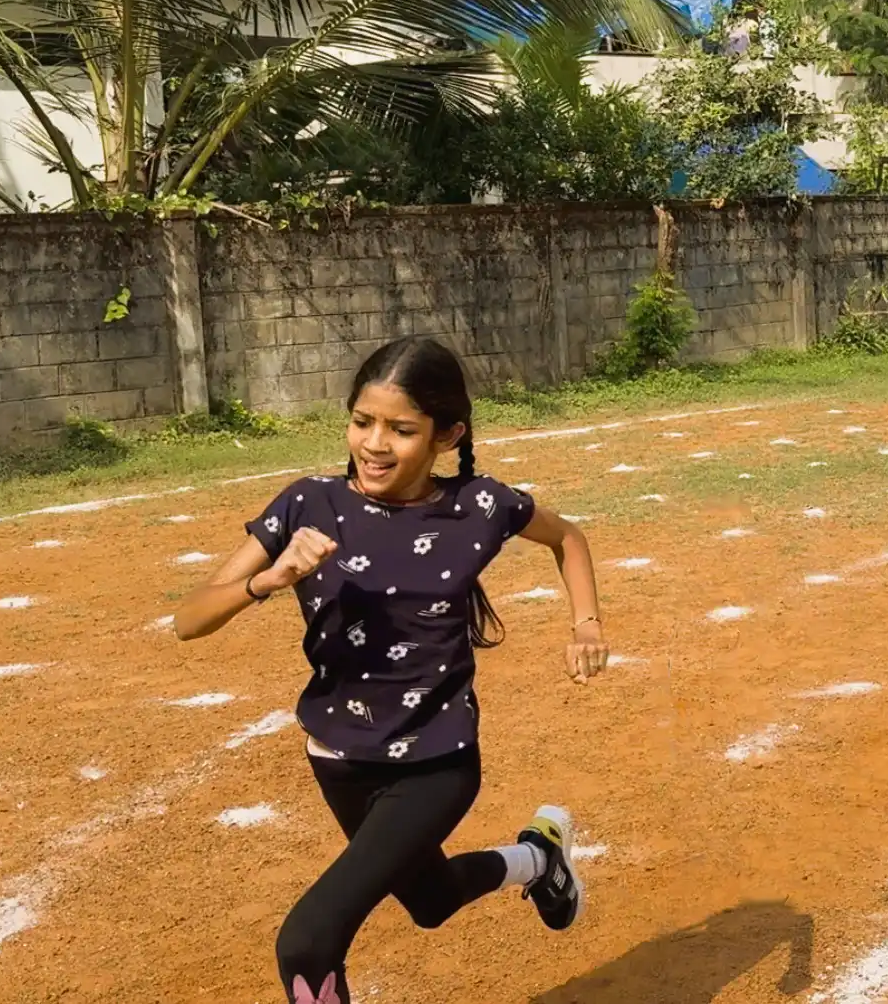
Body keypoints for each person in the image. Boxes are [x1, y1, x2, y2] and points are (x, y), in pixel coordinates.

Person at [172, 337, 608, 1004]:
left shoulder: (480, 506)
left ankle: (537, 859)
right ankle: (538, 860)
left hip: (435, 763)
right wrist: (271, 577)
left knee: (307, 942)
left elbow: (567, 537)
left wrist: (585, 624)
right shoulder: (306, 505)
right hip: (338, 759)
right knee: (430, 902)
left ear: (447, 435)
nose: (375, 444)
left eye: (401, 430)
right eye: (362, 422)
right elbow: (189, 618)